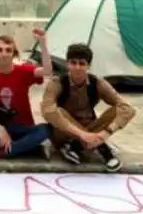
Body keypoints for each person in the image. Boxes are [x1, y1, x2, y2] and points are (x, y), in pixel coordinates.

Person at [40, 43, 136, 172]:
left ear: (88, 66)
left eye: (82, 63)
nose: (77, 67)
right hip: (64, 132)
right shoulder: (57, 83)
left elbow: (127, 108)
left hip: (90, 127)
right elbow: (47, 111)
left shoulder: (97, 83)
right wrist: (83, 135)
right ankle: (101, 148)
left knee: (119, 109)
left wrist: (106, 132)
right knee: (56, 111)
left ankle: (77, 147)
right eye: (73, 63)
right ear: (68, 64)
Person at [0, 30, 53, 160]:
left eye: (8, 50)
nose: (4, 54)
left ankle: (3, 152)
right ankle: (29, 148)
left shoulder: (24, 71)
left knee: (46, 129)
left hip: (24, 127)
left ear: (14, 54)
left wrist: (42, 43)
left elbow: (47, 71)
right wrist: (0, 128)